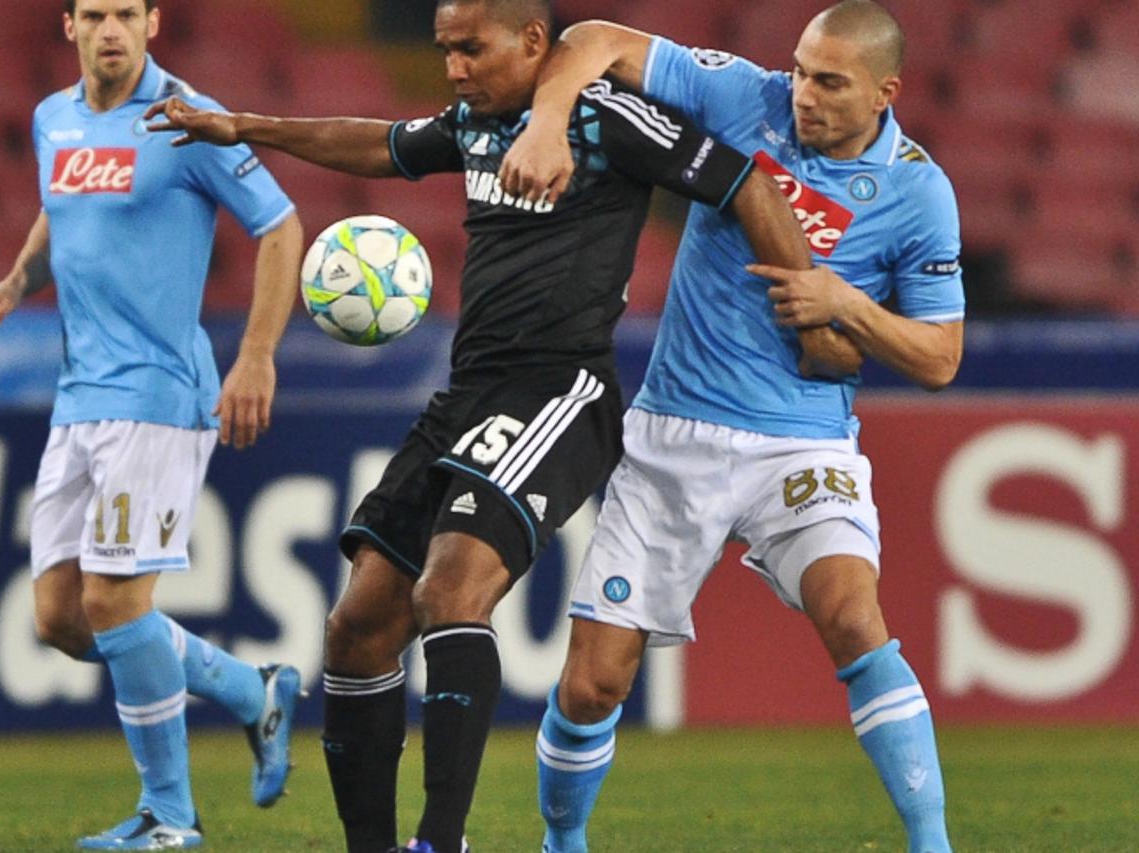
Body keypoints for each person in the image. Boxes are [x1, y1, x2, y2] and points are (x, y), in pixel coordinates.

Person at [146, 1, 858, 851]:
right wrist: (247, 127)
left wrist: (809, 319)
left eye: (469, 49)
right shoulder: (474, 124)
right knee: (358, 624)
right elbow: (379, 144)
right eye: (443, 50)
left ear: (530, 42)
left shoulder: (605, 118)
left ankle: (442, 840)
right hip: (468, 393)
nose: (452, 67)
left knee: (450, 590)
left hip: (561, 391)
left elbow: (747, 184)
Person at [497, 2, 963, 852]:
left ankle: (932, 844)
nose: (802, 94)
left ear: (885, 93)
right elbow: (592, 40)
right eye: (798, 69)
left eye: (829, 82)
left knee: (855, 618)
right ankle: (562, 843)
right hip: (675, 435)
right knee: (594, 686)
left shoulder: (920, 193)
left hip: (805, 443)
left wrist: (848, 304)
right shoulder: (743, 97)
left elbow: (939, 358)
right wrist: (548, 122)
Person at [0, 1, 305, 848]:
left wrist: (256, 354)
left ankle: (170, 816)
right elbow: (61, 208)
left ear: (153, 22)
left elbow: (281, 225)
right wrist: (15, 280)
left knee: (116, 603)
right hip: (77, 396)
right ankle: (247, 689)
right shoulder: (54, 119)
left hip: (157, 393)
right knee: (60, 617)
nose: (109, 28)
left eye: (126, 12)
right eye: (94, 13)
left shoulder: (186, 121)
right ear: (68, 25)